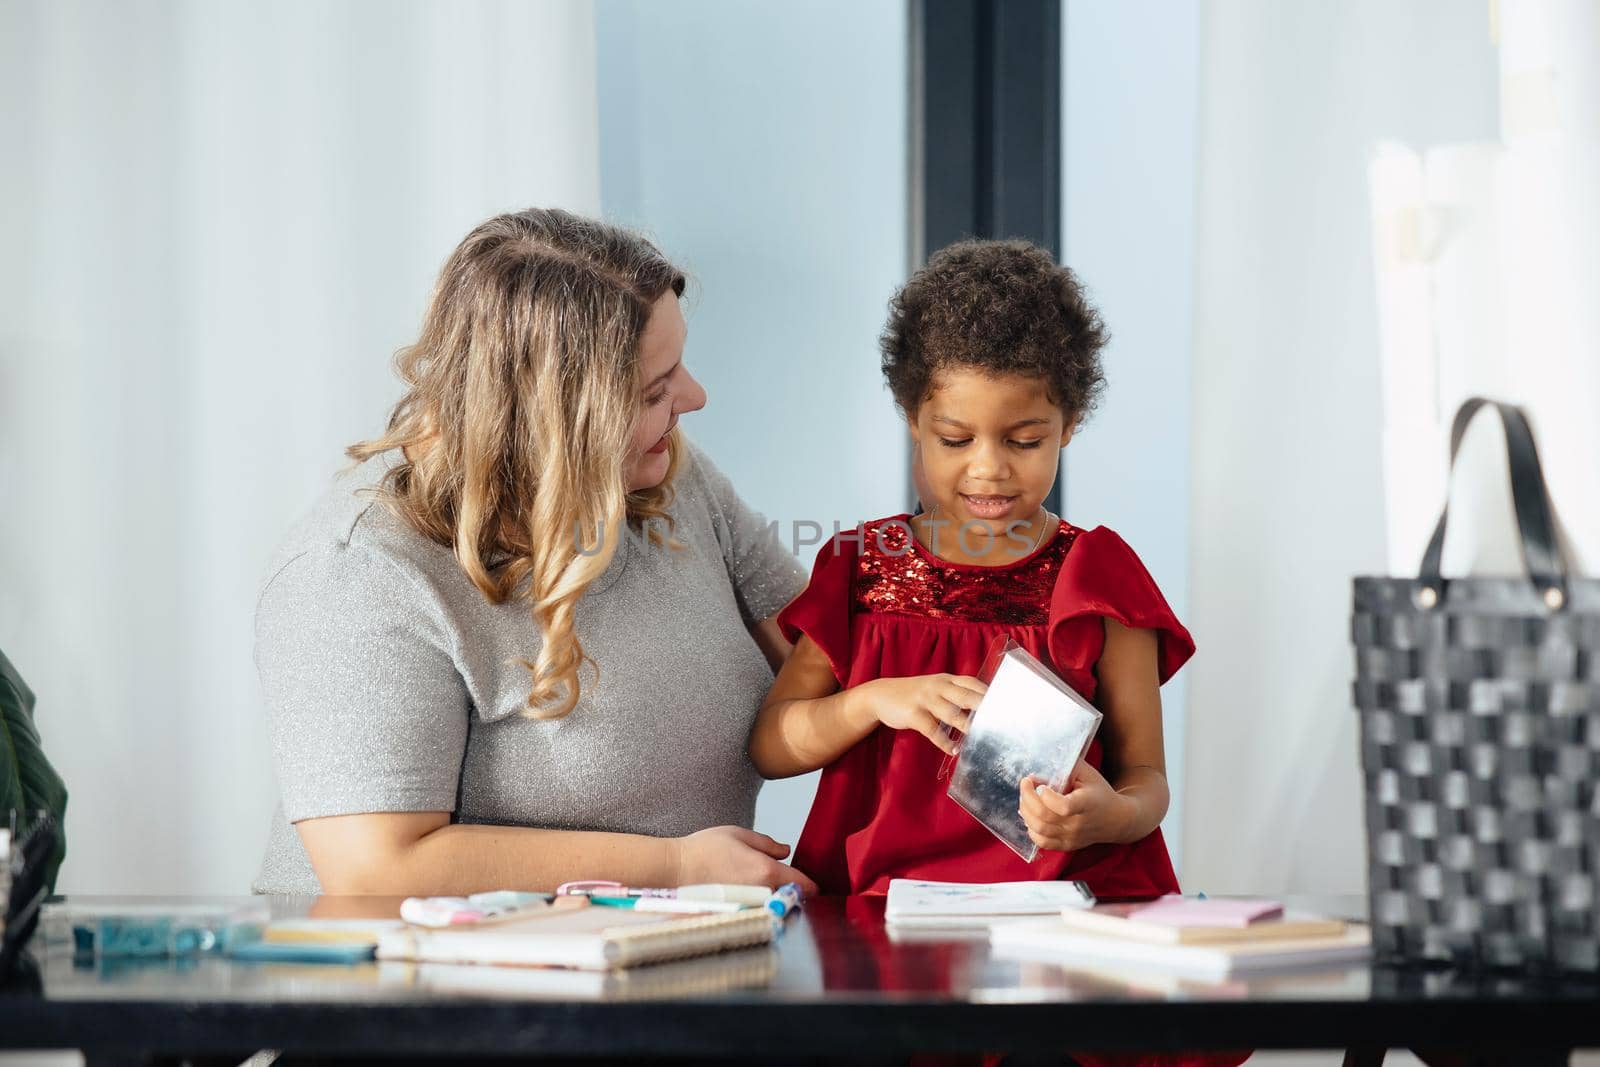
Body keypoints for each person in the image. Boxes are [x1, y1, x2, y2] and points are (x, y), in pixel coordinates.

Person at [252, 208, 816, 897]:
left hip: (648, 964)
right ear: (550, 420)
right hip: (436, 989)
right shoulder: (360, 571)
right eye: (653, 391)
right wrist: (674, 869)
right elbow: (378, 867)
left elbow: (827, 657)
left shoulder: (668, 478)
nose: (695, 398)